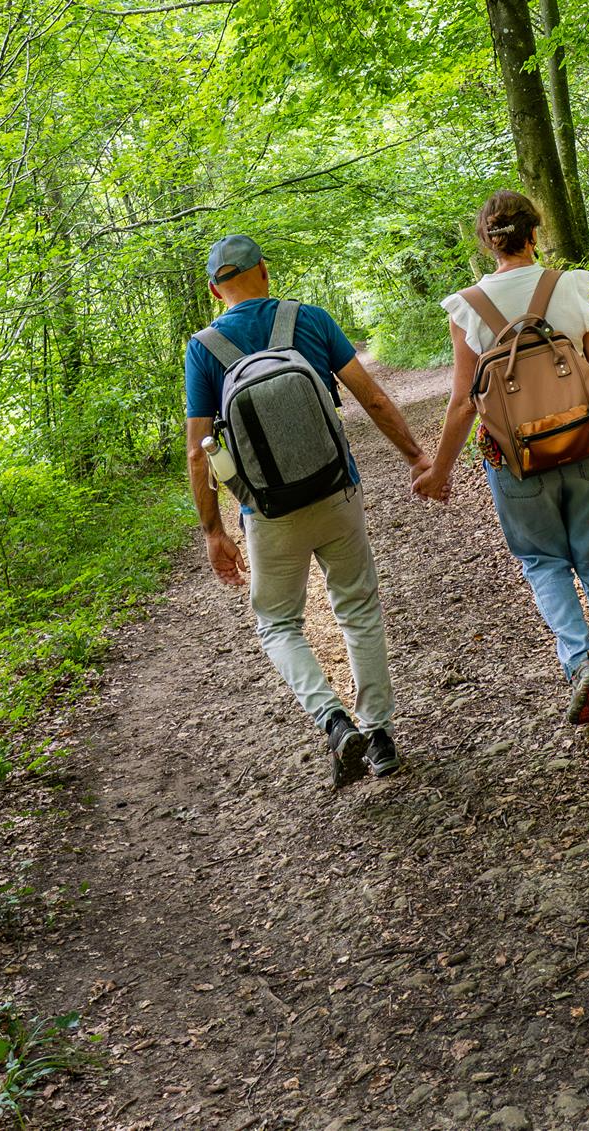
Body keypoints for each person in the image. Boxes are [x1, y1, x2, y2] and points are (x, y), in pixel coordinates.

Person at [186, 234, 433, 788]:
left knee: (277, 622)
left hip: (268, 513)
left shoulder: (204, 348)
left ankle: (333, 719)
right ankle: (382, 737)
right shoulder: (312, 320)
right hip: (337, 490)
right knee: (358, 609)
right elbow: (371, 397)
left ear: (213, 288)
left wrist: (214, 531)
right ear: (264, 273)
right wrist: (416, 455)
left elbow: (199, 454)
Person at [414, 191, 589, 727]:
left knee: (543, 562)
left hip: (513, 459)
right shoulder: (571, 286)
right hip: (587, 443)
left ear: (486, 242)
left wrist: (439, 471)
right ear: (535, 234)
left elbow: (462, 403)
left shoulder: (467, 307)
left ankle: (579, 660)